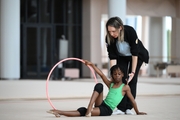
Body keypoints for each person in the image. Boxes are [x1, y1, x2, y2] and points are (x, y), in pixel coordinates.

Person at [46, 60, 147, 117]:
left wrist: (138, 112)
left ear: (123, 75)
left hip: (107, 110)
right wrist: (92, 65)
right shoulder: (111, 84)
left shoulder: (125, 87)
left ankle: (59, 112)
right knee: (99, 85)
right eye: (114, 74)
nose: (117, 76)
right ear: (112, 75)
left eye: (119, 74)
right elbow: (101, 74)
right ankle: (89, 106)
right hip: (102, 104)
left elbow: (132, 101)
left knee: (83, 111)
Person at [105, 16, 149, 115]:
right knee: (120, 79)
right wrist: (113, 74)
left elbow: (135, 54)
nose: (112, 34)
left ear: (120, 27)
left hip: (137, 56)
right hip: (122, 57)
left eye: (113, 31)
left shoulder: (130, 31)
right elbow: (112, 57)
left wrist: (132, 72)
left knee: (132, 80)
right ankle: (121, 108)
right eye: (109, 31)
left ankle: (129, 107)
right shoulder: (109, 38)